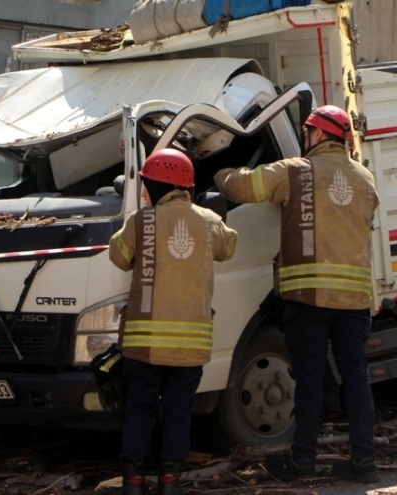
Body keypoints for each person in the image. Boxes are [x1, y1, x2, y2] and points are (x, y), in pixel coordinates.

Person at [213, 105, 381, 483]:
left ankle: (303, 460)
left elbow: (243, 187)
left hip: (309, 298)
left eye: (307, 133)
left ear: (319, 135)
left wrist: (220, 170)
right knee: (356, 379)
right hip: (354, 302)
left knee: (308, 380)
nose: (305, 139)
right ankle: (365, 463)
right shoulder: (365, 178)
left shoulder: (295, 171)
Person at [109, 148, 237, 495]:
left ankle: (133, 484)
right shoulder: (208, 220)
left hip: (142, 346)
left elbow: (117, 256)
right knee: (179, 413)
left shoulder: (141, 221)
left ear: (154, 183)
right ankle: (170, 484)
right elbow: (229, 247)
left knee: (140, 411)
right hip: (189, 349)